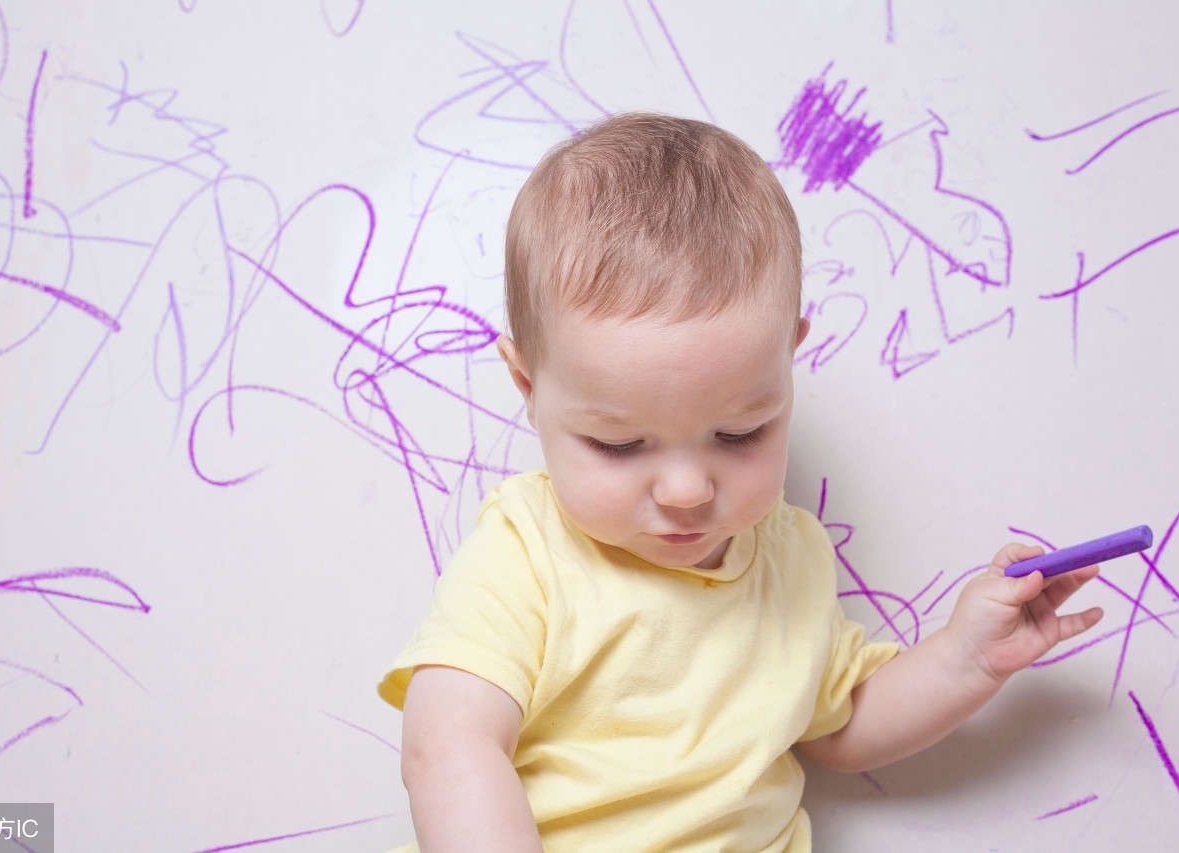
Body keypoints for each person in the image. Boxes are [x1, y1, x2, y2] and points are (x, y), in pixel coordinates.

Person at [376, 112, 1103, 852]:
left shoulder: (787, 555)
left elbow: (843, 722)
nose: (687, 491)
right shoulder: (528, 552)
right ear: (528, 386)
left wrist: (965, 658)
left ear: (789, 357)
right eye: (619, 444)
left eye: (739, 434)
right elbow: (450, 746)